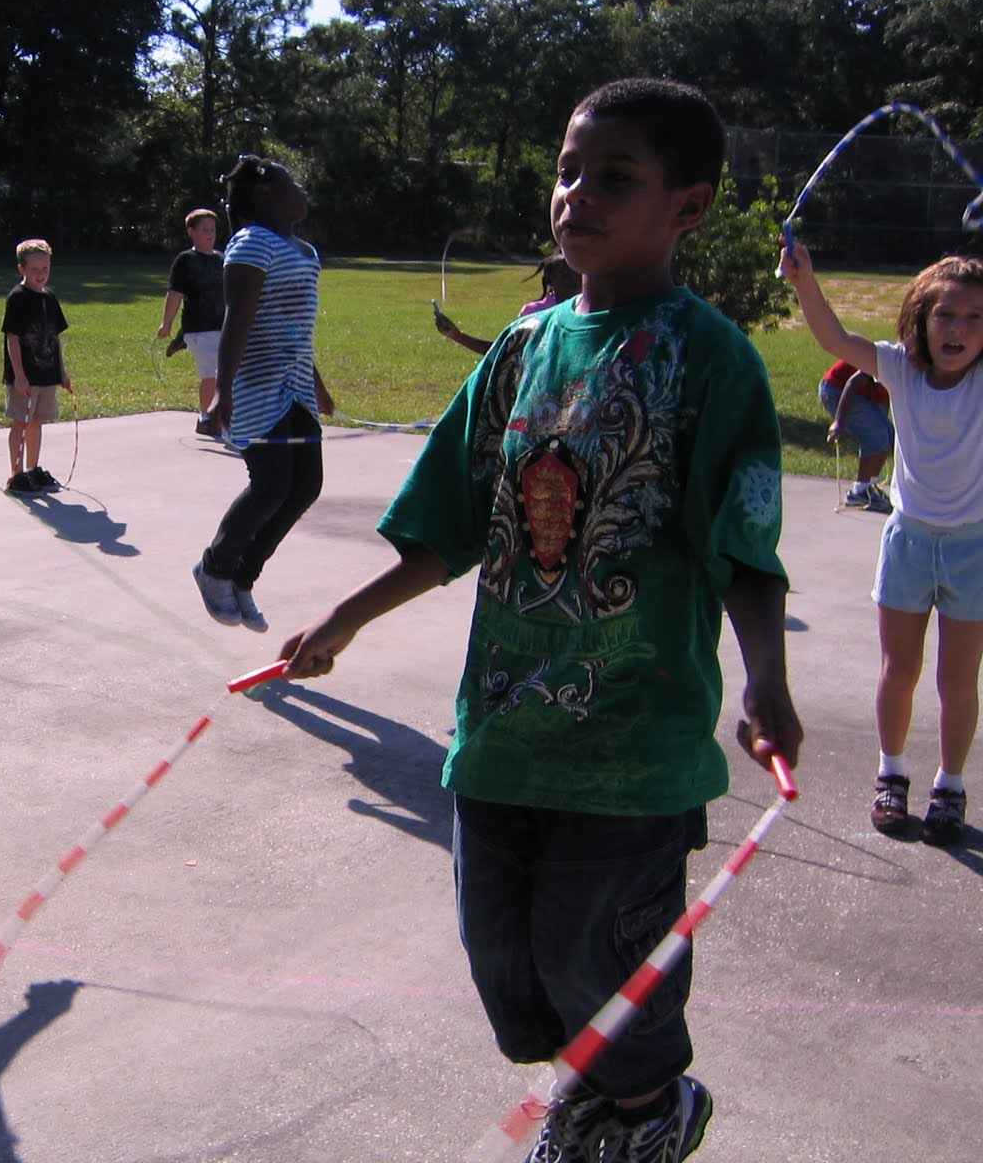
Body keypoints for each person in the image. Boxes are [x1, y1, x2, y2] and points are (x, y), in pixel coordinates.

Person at [279, 78, 802, 1163]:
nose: (577, 195)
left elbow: (744, 549)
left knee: (594, 957)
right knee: (505, 960)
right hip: (503, 730)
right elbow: (451, 520)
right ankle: (598, 1086)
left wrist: (765, 681)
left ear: (687, 206)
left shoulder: (711, 360)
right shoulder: (521, 350)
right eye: (568, 170)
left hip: (630, 744)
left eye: (615, 177)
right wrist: (345, 616)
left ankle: (648, 1102)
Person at [781, 242, 983, 846]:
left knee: (957, 680)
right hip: (909, 544)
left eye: (976, 318)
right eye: (945, 314)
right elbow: (834, 339)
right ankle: (890, 776)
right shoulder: (899, 368)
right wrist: (804, 280)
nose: (958, 329)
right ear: (920, 318)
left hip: (974, 549)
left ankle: (949, 785)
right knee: (900, 669)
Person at [193, 155, 334, 633]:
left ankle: (243, 578)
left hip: (296, 386)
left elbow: (294, 326)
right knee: (271, 485)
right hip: (257, 385)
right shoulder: (252, 243)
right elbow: (237, 318)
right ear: (265, 195)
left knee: (305, 487)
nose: (301, 189)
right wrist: (222, 391)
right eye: (290, 182)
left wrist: (318, 385)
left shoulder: (304, 250)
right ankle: (214, 568)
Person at [1, 239, 73, 496]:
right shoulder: (18, 298)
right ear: (22, 269)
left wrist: (61, 372)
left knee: (37, 422)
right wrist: (19, 376)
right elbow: (13, 338)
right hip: (25, 376)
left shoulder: (50, 298)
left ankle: (33, 469)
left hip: (46, 374)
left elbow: (55, 337)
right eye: (35, 270)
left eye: (45, 268)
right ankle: (17, 474)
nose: (41, 274)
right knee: (20, 422)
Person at [155, 208, 227, 436]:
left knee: (228, 373)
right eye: (204, 230)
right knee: (211, 374)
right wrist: (166, 323)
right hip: (199, 327)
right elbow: (175, 293)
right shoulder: (186, 260)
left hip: (222, 326)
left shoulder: (222, 259)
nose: (210, 234)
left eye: (213, 230)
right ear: (191, 232)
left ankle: (223, 415)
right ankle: (206, 418)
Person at [435, 249, 582, 356]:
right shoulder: (535, 313)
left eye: (576, 271)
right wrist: (458, 336)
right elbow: (507, 351)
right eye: (564, 273)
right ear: (550, 279)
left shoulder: (594, 308)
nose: (573, 278)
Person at [818, 356, 893, 512]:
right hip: (835, 389)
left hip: (861, 396)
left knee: (886, 434)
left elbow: (882, 414)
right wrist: (839, 421)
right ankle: (858, 492)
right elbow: (852, 384)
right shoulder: (889, 361)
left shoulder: (897, 384)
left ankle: (869, 486)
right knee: (877, 434)